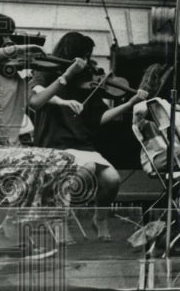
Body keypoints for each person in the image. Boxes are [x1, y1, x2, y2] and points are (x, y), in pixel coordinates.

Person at [29, 32, 145, 240]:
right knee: (87, 168)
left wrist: (128, 104)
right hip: (54, 144)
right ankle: (58, 219)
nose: (88, 61)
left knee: (112, 179)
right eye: (84, 54)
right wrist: (66, 76)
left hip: (82, 146)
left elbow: (98, 118)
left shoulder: (86, 82)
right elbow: (36, 99)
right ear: (71, 53)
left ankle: (99, 218)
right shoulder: (45, 73)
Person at [0, 10, 44, 146]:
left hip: (5, 145)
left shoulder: (4, 70)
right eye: (5, 35)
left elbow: (33, 101)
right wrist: (16, 49)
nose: (9, 41)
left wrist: (65, 77)